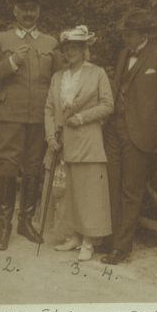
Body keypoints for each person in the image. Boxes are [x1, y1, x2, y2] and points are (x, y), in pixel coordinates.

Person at [102, 9, 157, 265]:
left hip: (140, 132)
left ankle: (121, 248)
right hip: (114, 129)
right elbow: (116, 88)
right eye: (125, 34)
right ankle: (109, 239)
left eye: (129, 34)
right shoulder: (123, 55)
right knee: (111, 184)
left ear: (142, 34)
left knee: (131, 190)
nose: (125, 39)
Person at [0, 0, 62, 251]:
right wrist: (12, 62)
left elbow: (60, 81)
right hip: (10, 116)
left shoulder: (51, 43)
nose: (29, 13)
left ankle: (25, 222)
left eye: (33, 8)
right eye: (24, 8)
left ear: (39, 11)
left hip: (40, 118)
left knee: (33, 169)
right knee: (6, 168)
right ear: (15, 9)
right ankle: (3, 226)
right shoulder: (0, 40)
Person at [44, 26, 114, 261]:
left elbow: (107, 104)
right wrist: (51, 137)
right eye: (67, 48)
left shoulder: (97, 73)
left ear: (84, 49)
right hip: (63, 143)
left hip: (88, 141)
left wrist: (82, 117)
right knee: (70, 193)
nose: (70, 52)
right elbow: (50, 109)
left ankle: (88, 240)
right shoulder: (58, 77)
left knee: (90, 193)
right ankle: (73, 236)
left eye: (75, 47)